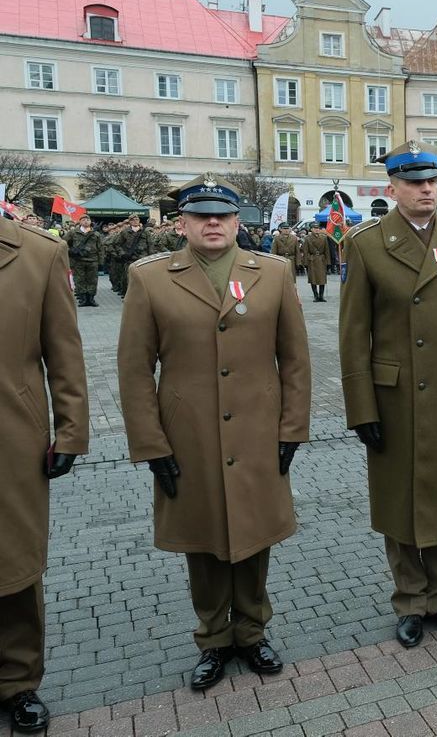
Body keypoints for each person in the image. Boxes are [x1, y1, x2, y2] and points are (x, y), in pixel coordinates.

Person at [117, 177, 312, 690]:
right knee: (202, 541)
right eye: (201, 216)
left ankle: (252, 632)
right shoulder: (152, 278)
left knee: (255, 533)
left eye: (222, 216)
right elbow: (135, 369)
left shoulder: (272, 272)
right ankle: (213, 638)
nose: (212, 224)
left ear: (236, 222)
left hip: (257, 429)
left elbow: (294, 360)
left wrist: (292, 427)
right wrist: (151, 444)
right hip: (190, 435)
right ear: (181, 223)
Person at [339, 141, 437, 648]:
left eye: (431, 181)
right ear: (393, 189)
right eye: (413, 182)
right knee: (402, 501)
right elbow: (352, 335)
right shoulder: (366, 244)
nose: (426, 189)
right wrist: (361, 406)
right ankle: (410, 599)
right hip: (397, 395)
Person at [0, 211, 89, 733]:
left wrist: (71, 430)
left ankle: (17, 682)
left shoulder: (37, 254)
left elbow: (64, 353)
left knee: (13, 564)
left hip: (12, 436)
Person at [64, 214, 103, 307]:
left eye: (88, 220)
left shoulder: (96, 234)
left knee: (92, 280)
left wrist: (101, 261)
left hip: (92, 260)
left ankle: (91, 298)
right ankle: (83, 299)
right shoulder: (73, 232)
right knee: (79, 279)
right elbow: (63, 243)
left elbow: (101, 248)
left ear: (90, 222)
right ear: (80, 222)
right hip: (78, 260)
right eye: (83, 220)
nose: (86, 221)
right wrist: (71, 251)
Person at [301, 225, 331, 302]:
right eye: (315, 228)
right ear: (311, 229)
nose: (317, 230)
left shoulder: (324, 238)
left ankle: (321, 296)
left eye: (318, 228)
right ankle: (316, 296)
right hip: (312, 260)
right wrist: (306, 262)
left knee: (322, 279)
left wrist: (328, 262)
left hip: (321, 259)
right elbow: (305, 251)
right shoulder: (308, 238)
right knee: (313, 279)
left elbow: (327, 250)